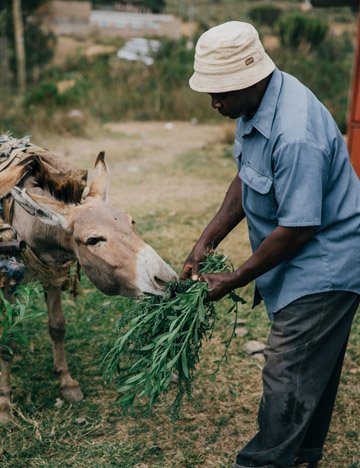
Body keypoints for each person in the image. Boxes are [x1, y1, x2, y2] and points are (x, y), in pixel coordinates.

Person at [181, 21, 360, 468]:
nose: (214, 102)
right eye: (210, 91)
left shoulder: (296, 132)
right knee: (309, 371)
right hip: (302, 257)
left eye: (221, 92)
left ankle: (264, 463)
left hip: (327, 263)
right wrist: (206, 240)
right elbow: (247, 178)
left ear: (252, 78)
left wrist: (236, 277)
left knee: (288, 370)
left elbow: (298, 228)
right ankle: (302, 458)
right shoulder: (255, 106)